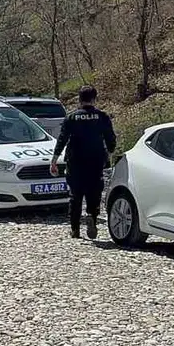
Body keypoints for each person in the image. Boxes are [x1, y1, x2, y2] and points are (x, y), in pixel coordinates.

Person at [50, 85, 117, 240]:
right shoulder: (102, 116)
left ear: (79, 99)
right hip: (95, 160)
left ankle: (75, 229)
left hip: (75, 161)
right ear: (94, 99)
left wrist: (54, 159)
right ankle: (91, 216)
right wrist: (109, 152)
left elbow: (62, 139)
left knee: (75, 195)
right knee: (94, 192)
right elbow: (110, 138)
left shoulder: (72, 117)